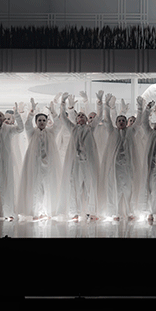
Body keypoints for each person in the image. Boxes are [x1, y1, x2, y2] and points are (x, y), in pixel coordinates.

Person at [98, 94, 147, 221]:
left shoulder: (131, 131)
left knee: (129, 187)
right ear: (116, 123)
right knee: (114, 188)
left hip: (128, 165)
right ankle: (115, 213)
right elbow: (107, 119)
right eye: (119, 121)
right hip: (114, 166)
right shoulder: (112, 131)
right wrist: (107, 106)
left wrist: (140, 108)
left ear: (126, 123)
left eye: (123, 121)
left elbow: (139, 122)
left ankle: (130, 212)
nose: (121, 122)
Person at [57, 92, 102, 221]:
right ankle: (74, 212)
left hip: (88, 162)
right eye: (79, 115)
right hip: (76, 162)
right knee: (74, 185)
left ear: (87, 119)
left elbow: (98, 117)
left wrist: (99, 102)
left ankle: (91, 211)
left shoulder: (91, 128)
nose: (81, 116)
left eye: (83, 115)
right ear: (76, 119)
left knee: (90, 185)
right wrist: (63, 104)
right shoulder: (73, 128)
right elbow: (63, 118)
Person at [16, 99, 62, 220]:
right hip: (35, 165)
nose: (42, 122)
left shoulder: (51, 132)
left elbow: (59, 125)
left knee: (48, 187)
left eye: (44, 120)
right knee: (36, 188)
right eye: (39, 120)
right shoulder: (32, 133)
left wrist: (53, 113)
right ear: (36, 122)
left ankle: (48, 212)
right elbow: (27, 125)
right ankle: (36, 212)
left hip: (49, 165)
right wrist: (31, 112)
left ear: (47, 122)